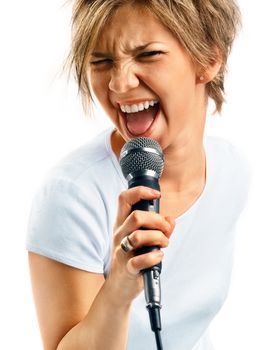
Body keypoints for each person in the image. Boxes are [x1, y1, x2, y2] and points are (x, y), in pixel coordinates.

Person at [26, 0, 249, 349]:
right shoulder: (72, 195)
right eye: (101, 62)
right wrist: (118, 289)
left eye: (147, 55)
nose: (119, 83)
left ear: (209, 59)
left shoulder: (231, 170)